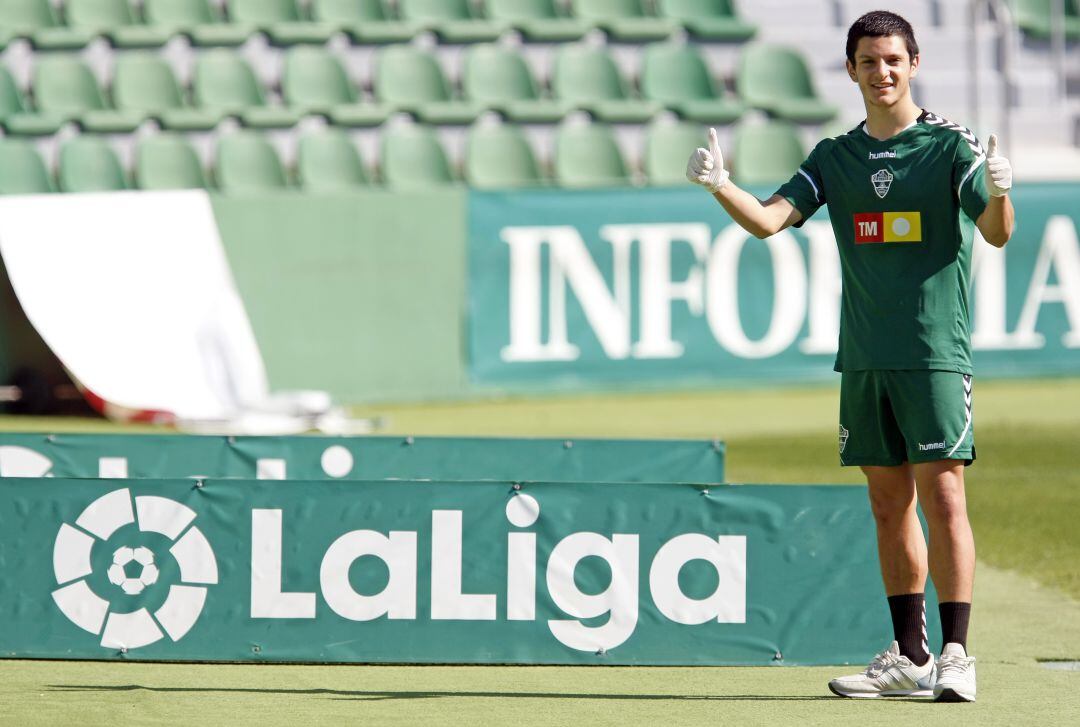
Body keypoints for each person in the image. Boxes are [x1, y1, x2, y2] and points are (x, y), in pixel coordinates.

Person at [686, 10, 1014, 702]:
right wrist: (721, 185)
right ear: (851, 70)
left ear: (914, 63)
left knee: (944, 496)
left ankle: (958, 654)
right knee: (886, 501)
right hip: (863, 359)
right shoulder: (836, 156)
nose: (882, 71)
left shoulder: (949, 147)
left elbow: (996, 231)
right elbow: (770, 220)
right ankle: (912, 656)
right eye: (869, 61)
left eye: (894, 59)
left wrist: (1003, 189)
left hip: (933, 355)